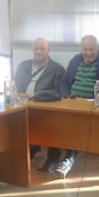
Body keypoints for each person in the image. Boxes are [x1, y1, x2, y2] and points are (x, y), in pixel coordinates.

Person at [56, 34, 99, 178]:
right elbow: (64, 82)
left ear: (97, 48)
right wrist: (66, 95)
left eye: (92, 49)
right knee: (54, 119)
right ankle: (55, 157)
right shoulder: (75, 60)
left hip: (92, 105)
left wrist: (97, 98)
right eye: (85, 49)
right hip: (72, 102)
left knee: (76, 123)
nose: (88, 53)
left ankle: (68, 159)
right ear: (81, 49)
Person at [14, 37, 65, 173]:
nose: (38, 52)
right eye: (36, 49)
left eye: (42, 49)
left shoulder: (57, 69)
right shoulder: (23, 65)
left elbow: (58, 92)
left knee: (53, 121)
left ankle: (53, 158)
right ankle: (22, 152)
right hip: (21, 104)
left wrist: (36, 96)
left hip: (43, 106)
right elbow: (14, 86)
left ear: (48, 50)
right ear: (32, 50)